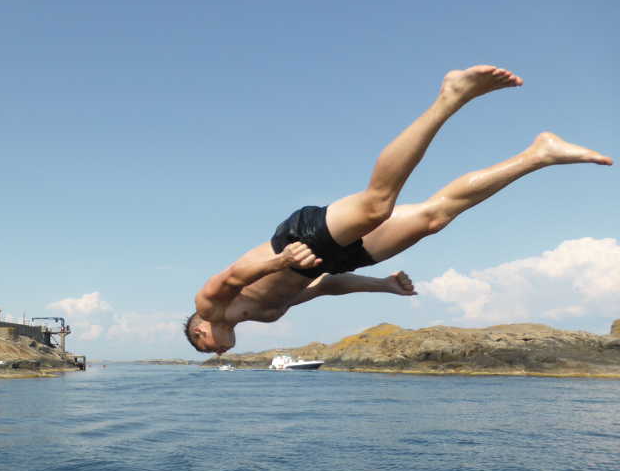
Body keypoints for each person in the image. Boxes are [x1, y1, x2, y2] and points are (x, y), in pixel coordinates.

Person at [186, 65, 612, 355]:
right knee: (434, 218)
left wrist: (280, 259)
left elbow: (231, 277)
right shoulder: (265, 315)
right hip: (328, 259)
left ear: (199, 331)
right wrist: (384, 286)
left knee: (375, 205)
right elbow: (327, 286)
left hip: (297, 241)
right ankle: (539, 154)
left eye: (208, 348)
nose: (218, 352)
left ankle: (452, 95)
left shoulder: (210, 307)